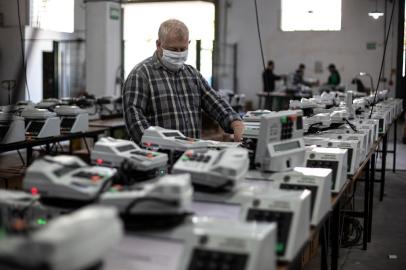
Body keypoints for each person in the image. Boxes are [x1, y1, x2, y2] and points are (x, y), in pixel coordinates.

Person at [122, 19, 244, 143]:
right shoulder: (141, 75)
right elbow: (134, 120)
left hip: (190, 155)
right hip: (158, 156)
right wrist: (158, 144)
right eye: (173, 50)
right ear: (158, 44)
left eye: (183, 49)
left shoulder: (192, 75)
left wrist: (235, 122)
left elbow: (214, 102)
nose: (179, 54)